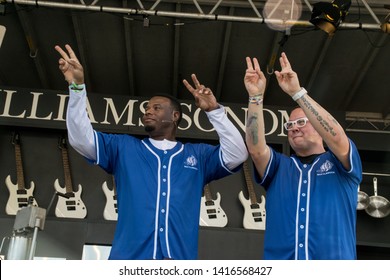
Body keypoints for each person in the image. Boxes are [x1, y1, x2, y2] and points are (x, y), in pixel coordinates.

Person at [54, 44, 247, 260]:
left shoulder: (198, 156)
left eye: (156, 108)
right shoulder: (124, 148)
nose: (148, 110)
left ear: (175, 116)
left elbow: (237, 154)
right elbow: (81, 139)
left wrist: (214, 111)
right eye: (147, 107)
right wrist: (77, 87)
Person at [244, 52, 362, 260]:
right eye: (290, 125)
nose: (294, 129)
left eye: (301, 123)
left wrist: (297, 92)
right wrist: (255, 96)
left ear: (318, 127)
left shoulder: (339, 163)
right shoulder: (280, 167)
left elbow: (337, 137)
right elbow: (256, 148)